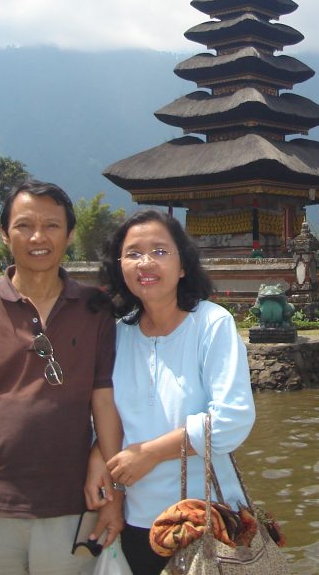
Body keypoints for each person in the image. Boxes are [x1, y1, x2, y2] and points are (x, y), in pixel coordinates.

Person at [0, 180, 124, 574]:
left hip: (72, 505)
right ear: (5, 234)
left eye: (52, 226)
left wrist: (116, 495)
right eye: (24, 225)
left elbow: (104, 401)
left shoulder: (95, 308)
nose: (38, 237)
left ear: (70, 234)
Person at [88, 209, 255, 575]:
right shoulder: (117, 335)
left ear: (182, 266)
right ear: (120, 267)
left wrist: (149, 453)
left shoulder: (211, 324)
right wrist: (104, 470)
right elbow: (105, 417)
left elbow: (233, 420)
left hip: (206, 519)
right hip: (137, 520)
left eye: (160, 251)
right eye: (133, 253)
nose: (146, 262)